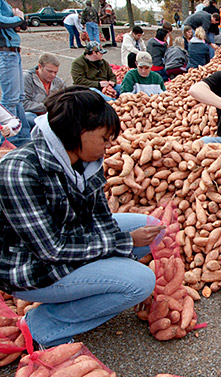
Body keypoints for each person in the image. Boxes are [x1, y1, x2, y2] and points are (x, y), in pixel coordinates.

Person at [0, 87, 165, 348]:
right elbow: (51, 250)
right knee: (140, 281)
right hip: (31, 268)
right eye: (104, 138)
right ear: (79, 132)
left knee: (153, 227)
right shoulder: (19, 170)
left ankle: (104, 286)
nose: (109, 146)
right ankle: (45, 325)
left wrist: (119, 250)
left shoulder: (84, 162)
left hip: (73, 239)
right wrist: (124, 245)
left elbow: (100, 217)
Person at [0, 0, 31, 147]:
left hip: (13, 51)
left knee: (19, 98)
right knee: (10, 100)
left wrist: (20, 19)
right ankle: (8, 143)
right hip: (4, 52)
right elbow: (2, 21)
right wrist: (18, 18)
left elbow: (21, 25)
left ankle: (24, 138)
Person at [23, 53, 66, 130]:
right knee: (28, 117)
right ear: (40, 67)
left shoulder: (58, 82)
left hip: (51, 115)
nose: (53, 75)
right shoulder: (27, 78)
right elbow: (24, 104)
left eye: (55, 72)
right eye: (49, 71)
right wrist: (48, 107)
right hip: (34, 115)